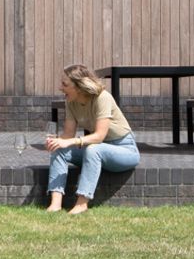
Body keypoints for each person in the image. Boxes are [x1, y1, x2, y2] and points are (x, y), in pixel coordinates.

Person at [46, 64, 140, 214]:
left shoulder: (102, 97)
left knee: (93, 149)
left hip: (124, 149)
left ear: (79, 86)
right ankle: (55, 204)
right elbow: (68, 136)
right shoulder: (70, 102)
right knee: (60, 150)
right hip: (97, 149)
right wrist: (56, 142)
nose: (60, 88)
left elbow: (99, 136)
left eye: (64, 84)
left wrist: (70, 141)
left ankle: (82, 204)